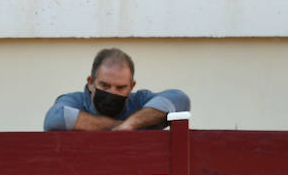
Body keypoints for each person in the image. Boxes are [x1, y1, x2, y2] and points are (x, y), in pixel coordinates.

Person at [43, 47, 189, 131]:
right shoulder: (75, 101)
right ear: (91, 82)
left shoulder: (140, 102)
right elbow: (55, 117)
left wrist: (132, 123)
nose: (112, 92)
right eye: (105, 85)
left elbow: (180, 99)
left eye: (121, 87)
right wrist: (121, 128)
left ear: (132, 86)